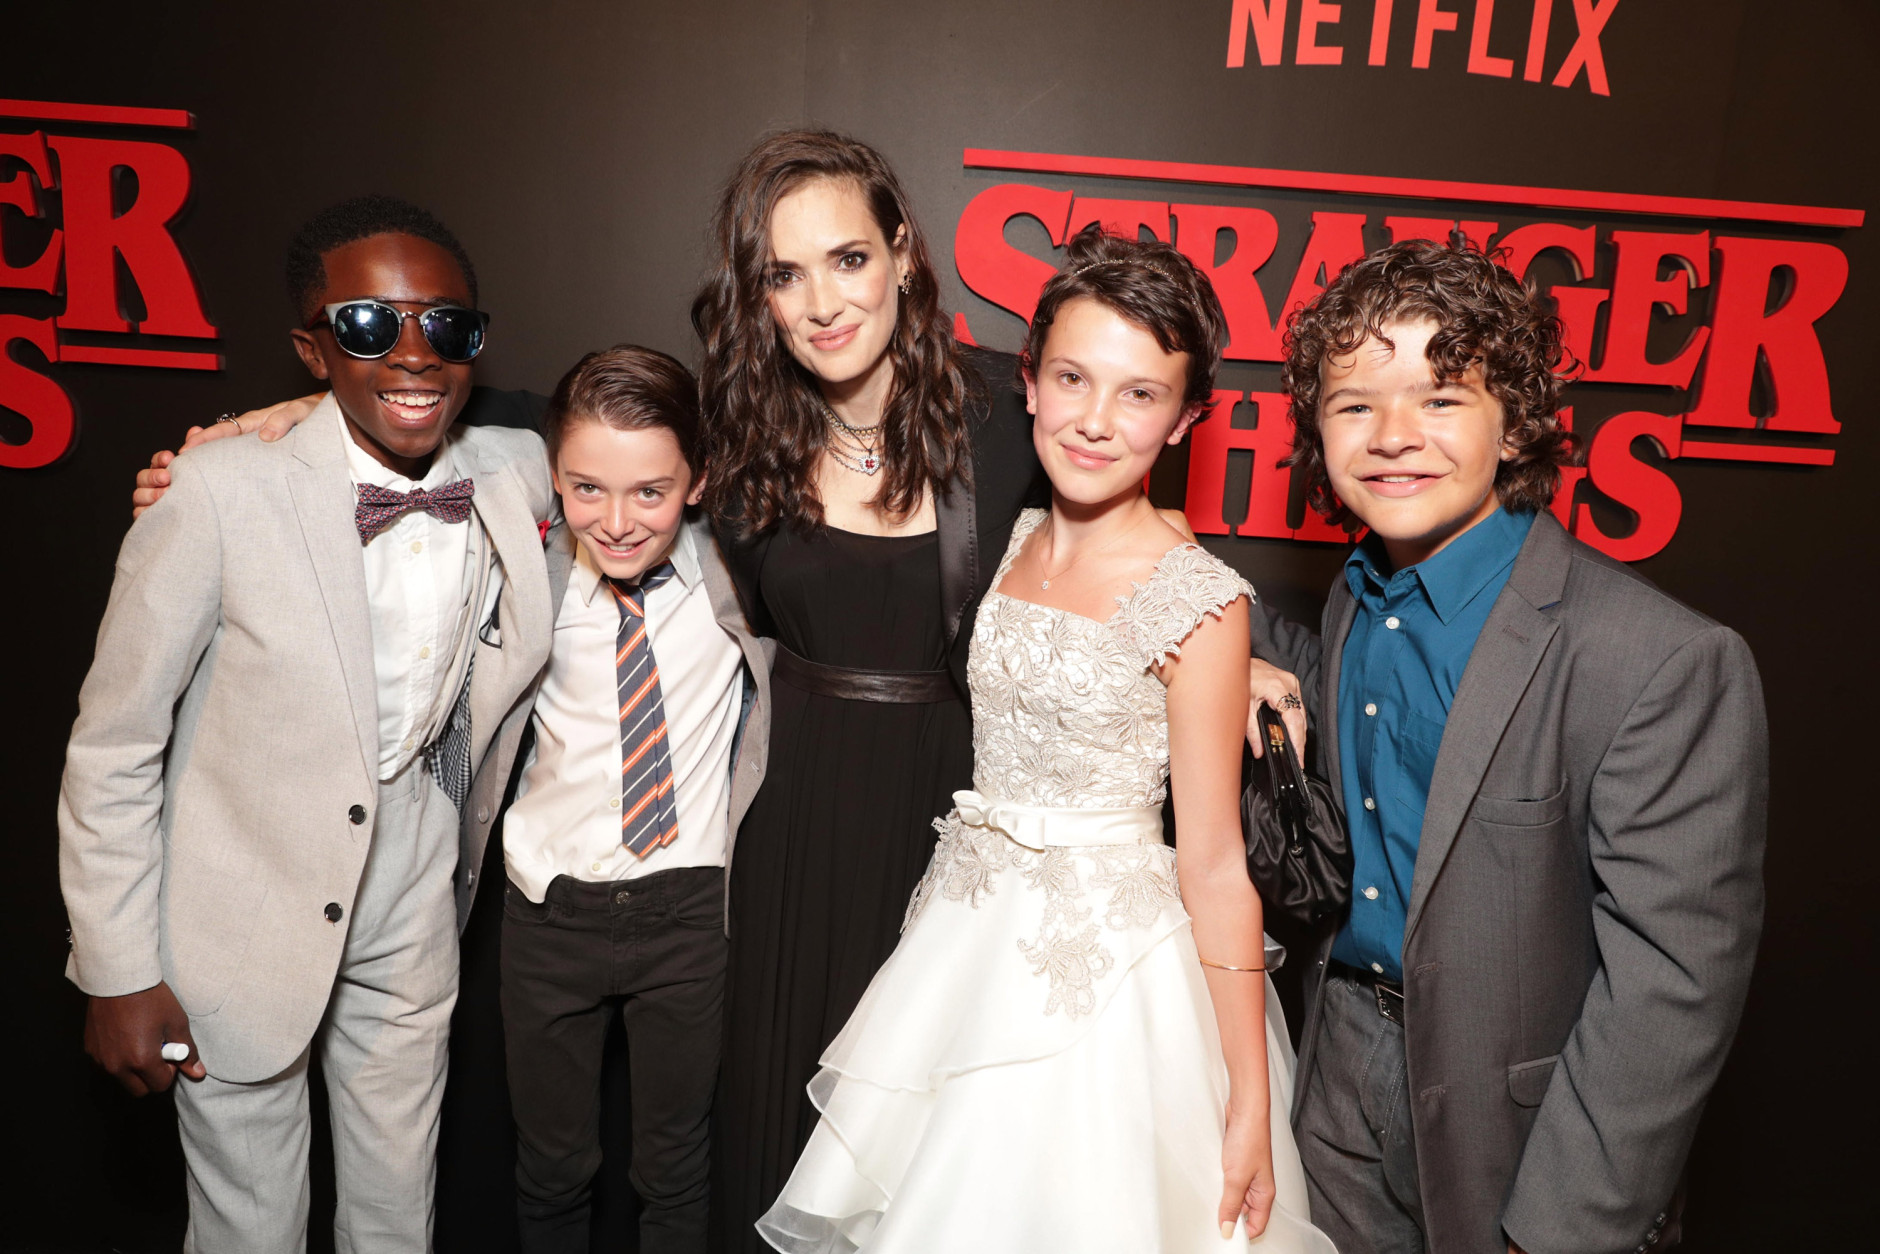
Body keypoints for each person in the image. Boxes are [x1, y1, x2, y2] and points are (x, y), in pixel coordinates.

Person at [759, 227, 1334, 1253]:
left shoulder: (1198, 603)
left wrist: (1248, 1102)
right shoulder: (1007, 532)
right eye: (1072, 378)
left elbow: (1211, 867)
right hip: (962, 948)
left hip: (1105, 996)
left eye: (1139, 394)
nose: (1096, 422)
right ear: (1026, 382)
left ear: (1188, 416)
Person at [1244, 241, 1767, 1254]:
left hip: (1518, 1126)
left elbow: (1672, 987)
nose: (1392, 437)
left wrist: (1559, 1229)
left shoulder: (1655, 659)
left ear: (1512, 423)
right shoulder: (1361, 595)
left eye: (1439, 400)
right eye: (1353, 405)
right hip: (1338, 1068)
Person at [61, 195, 557, 1249]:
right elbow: (113, 746)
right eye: (371, 326)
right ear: (311, 346)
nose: (414, 353)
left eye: (447, 326)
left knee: (396, 1211)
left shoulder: (511, 472)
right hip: (235, 913)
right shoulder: (215, 494)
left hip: (415, 890)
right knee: (250, 1223)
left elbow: (630, 437)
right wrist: (116, 966)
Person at [500, 345, 771, 1253]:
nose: (616, 522)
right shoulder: (525, 575)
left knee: (676, 1167)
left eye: (650, 492)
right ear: (553, 478)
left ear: (697, 482)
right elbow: (420, 443)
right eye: (586, 490)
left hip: (688, 913)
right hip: (548, 913)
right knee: (549, 1168)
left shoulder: (739, 577)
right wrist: (266, 420)